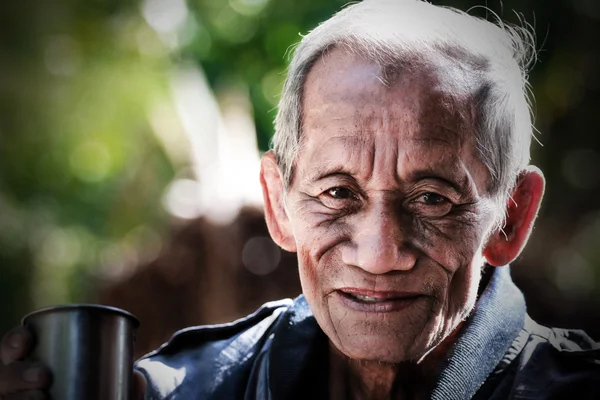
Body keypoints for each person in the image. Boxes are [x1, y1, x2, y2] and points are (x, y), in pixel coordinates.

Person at [1, 0, 599, 399]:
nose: (380, 252)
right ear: (278, 204)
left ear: (512, 215)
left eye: (433, 198)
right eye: (338, 193)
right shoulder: (189, 388)